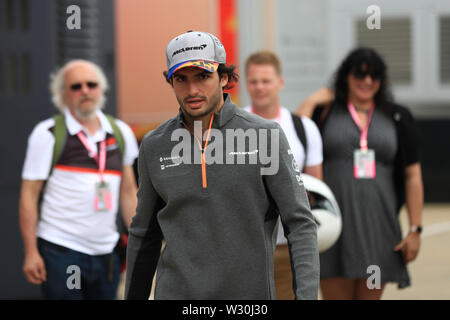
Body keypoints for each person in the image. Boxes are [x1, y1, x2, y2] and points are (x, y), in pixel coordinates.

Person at [125, 31, 319, 300]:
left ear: (224, 78)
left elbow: (300, 224)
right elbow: (144, 233)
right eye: (181, 79)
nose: (192, 90)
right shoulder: (154, 145)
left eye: (203, 77)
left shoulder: (266, 136)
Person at [296, 47, 424, 300]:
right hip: (334, 227)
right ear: (346, 76)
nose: (367, 81)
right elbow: (296, 142)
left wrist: (415, 229)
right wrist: (311, 101)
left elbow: (413, 176)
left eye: (374, 75)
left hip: (379, 229)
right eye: (359, 74)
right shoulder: (326, 111)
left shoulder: (397, 116)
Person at [19, 59, 139, 300]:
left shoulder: (120, 132)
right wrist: (31, 251)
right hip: (61, 251)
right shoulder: (48, 133)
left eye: (91, 84)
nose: (85, 90)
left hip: (107, 252)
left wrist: (139, 242)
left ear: (101, 89)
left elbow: (128, 191)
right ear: (63, 94)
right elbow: (29, 195)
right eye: (76, 86)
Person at [244, 51, 323, 299]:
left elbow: (316, 188)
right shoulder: (231, 129)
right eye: (253, 81)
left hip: (289, 246)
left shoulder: (304, 128)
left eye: (266, 81)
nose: (259, 87)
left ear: (280, 82)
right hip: (245, 250)